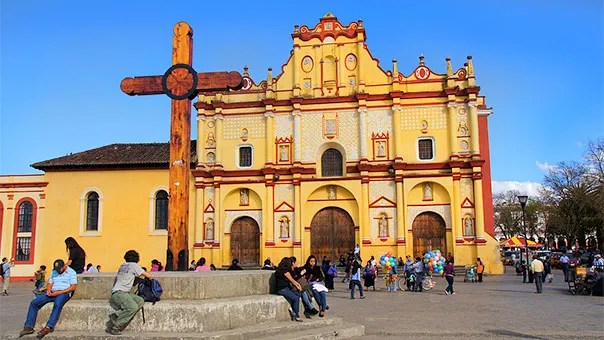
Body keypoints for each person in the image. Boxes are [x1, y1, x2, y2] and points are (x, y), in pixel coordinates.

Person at [19, 259, 77, 339]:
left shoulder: (71, 273)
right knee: (34, 303)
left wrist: (59, 292)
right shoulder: (54, 272)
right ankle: (28, 326)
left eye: (60, 269)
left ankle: (48, 327)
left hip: (64, 293)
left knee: (57, 304)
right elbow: (50, 283)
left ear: (64, 266)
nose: (58, 271)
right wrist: (49, 291)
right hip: (53, 292)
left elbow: (72, 287)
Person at [106, 250, 154, 335]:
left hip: (118, 293)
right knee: (132, 307)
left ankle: (118, 315)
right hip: (121, 293)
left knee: (140, 300)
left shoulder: (122, 266)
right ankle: (116, 327)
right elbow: (148, 275)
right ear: (137, 259)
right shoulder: (134, 265)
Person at [274, 257, 303, 322]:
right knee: (296, 298)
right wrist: (298, 286)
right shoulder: (285, 272)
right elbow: (293, 281)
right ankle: (296, 316)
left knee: (298, 294)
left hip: (286, 287)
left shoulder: (283, 270)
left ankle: (293, 309)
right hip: (282, 289)